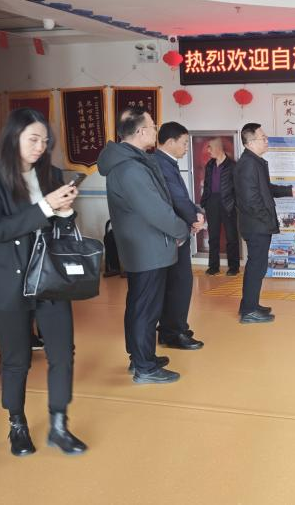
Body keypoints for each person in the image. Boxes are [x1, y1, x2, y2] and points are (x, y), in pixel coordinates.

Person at [0, 107, 86, 456]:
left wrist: (65, 213)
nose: (40, 147)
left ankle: (59, 425)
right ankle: (17, 425)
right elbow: (1, 230)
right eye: (33, 139)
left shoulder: (52, 175)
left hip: (50, 278)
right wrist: (45, 207)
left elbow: (61, 229)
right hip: (9, 281)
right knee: (17, 359)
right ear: (13, 137)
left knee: (62, 354)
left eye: (45, 141)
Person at [98, 108, 190, 384]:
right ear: (140, 132)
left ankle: (141, 357)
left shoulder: (133, 161)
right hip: (146, 248)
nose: (155, 129)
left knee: (142, 305)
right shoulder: (129, 168)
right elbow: (155, 210)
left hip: (146, 247)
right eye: (152, 125)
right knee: (145, 308)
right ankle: (144, 367)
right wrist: (180, 230)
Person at [234, 123, 295, 324]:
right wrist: (267, 220)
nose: (267, 141)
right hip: (256, 225)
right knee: (256, 267)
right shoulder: (248, 164)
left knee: (258, 266)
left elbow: (267, 189)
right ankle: (249, 311)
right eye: (263, 138)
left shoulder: (255, 162)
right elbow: (251, 201)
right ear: (250, 142)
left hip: (259, 224)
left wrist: (289, 190)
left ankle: (250, 305)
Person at [153, 121, 205, 350]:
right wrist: (194, 218)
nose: (186, 147)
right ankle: (174, 332)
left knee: (176, 282)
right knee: (180, 282)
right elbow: (176, 198)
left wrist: (196, 212)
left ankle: (171, 329)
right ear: (170, 142)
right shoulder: (161, 164)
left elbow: (183, 197)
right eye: (184, 143)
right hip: (173, 233)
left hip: (176, 230)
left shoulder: (166, 162)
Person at [200, 137, 239, 276]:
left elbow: (238, 188)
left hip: (228, 203)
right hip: (212, 202)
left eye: (210, 147)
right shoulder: (209, 165)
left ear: (218, 148)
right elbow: (207, 185)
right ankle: (213, 266)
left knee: (231, 237)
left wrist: (235, 204)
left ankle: (233, 267)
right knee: (213, 237)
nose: (208, 151)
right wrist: (205, 201)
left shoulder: (232, 166)